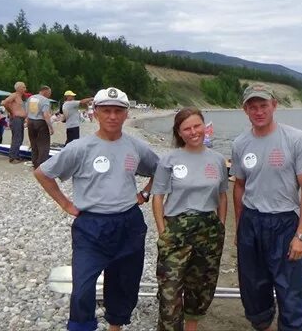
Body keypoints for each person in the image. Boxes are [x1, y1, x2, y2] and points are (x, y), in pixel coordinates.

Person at [34, 87, 159, 331]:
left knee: (124, 282)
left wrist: (144, 193)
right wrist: (65, 203)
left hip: (128, 223)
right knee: (82, 288)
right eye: (106, 111)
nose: (112, 116)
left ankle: (116, 325)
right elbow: (43, 173)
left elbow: (160, 169)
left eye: (118, 111)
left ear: (126, 115)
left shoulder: (135, 147)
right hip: (91, 227)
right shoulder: (80, 148)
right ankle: (82, 326)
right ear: (96, 113)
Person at [231, 83, 302, 331]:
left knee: (291, 289)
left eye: (263, 106)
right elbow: (239, 186)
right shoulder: (240, 144)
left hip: (283, 222)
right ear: (245, 110)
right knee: (253, 286)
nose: (259, 111)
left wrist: (301, 234)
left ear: (274, 106)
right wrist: (239, 227)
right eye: (253, 107)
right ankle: (263, 325)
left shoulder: (295, 138)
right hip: (251, 222)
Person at [151, 108, 228, 331]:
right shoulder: (169, 159)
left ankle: (191, 327)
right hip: (176, 231)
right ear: (179, 132)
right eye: (187, 128)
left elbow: (222, 196)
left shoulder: (217, 160)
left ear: (204, 126)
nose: (193, 132)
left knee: (201, 287)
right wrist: (162, 230)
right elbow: (158, 197)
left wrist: (221, 225)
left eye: (197, 126)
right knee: (169, 290)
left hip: (209, 232)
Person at [26, 85, 54, 168]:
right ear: (45, 91)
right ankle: (41, 164)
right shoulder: (45, 100)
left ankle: (34, 162)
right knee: (43, 144)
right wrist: (51, 127)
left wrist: (27, 122)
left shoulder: (31, 98)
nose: (50, 95)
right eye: (49, 93)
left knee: (34, 143)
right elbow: (46, 115)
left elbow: (27, 111)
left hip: (31, 121)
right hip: (40, 122)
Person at [1, 81, 28, 163]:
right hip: (16, 119)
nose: (25, 89)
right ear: (19, 88)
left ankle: (15, 155)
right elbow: (4, 102)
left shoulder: (20, 97)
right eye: (23, 87)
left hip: (20, 119)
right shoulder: (14, 95)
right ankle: (13, 157)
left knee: (19, 138)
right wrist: (11, 112)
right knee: (17, 137)